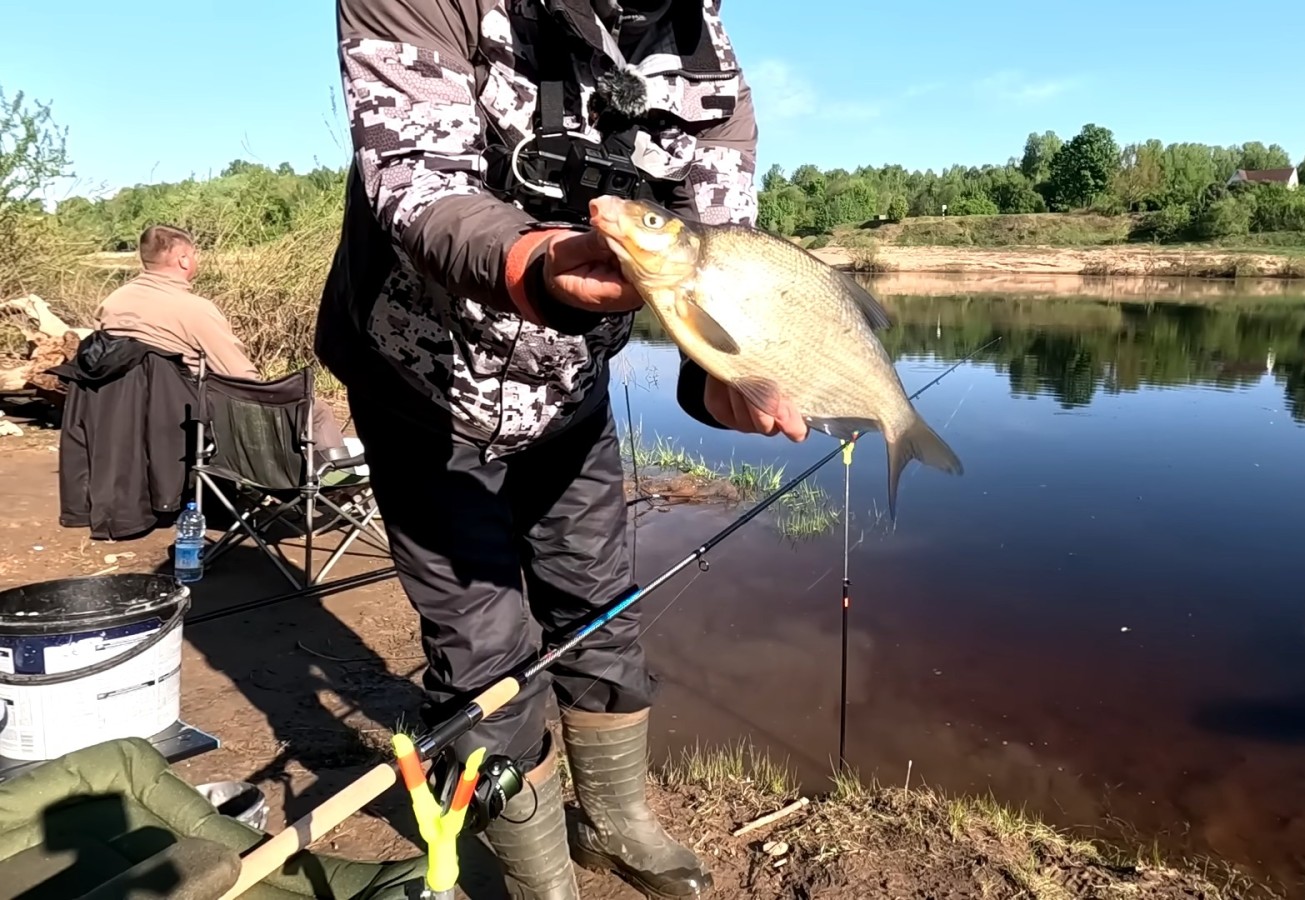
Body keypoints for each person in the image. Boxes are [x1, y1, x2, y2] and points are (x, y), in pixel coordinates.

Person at [315, 2, 802, 898]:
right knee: (483, 653)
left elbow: (717, 258)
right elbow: (416, 190)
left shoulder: (709, 58)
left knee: (601, 610)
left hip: (569, 394)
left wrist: (725, 384)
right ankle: (545, 884)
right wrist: (534, 264)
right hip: (422, 386)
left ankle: (616, 824)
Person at [96, 224, 346, 452]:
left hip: (123, 414)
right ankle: (336, 491)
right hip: (190, 416)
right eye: (194, 255)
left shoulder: (111, 304)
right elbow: (240, 377)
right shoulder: (194, 309)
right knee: (317, 410)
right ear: (183, 260)